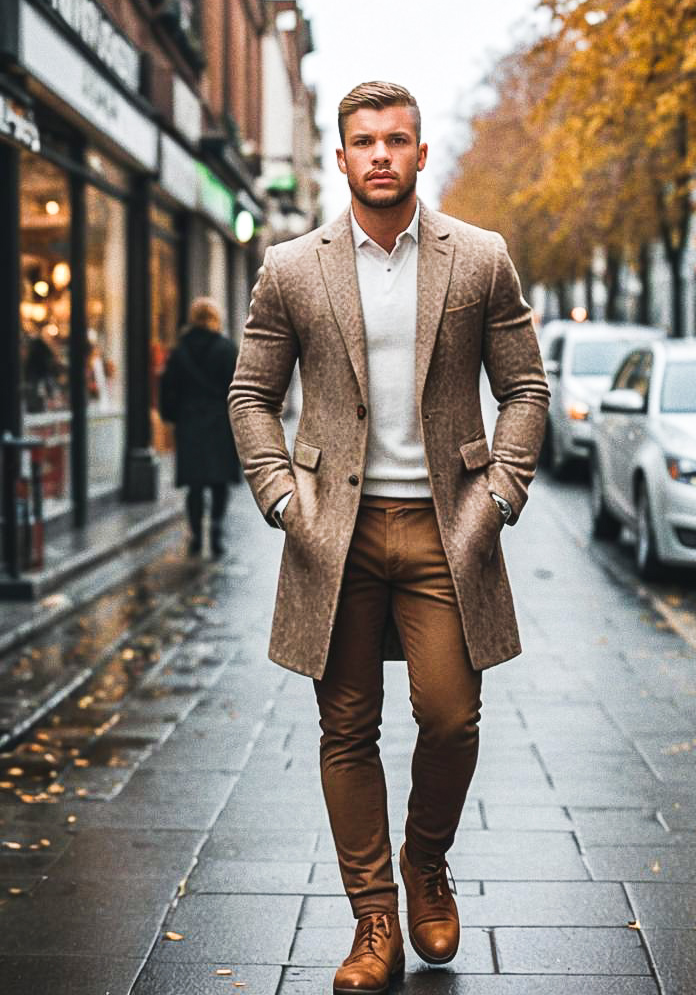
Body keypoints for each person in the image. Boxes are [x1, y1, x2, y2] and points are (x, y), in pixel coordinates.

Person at [229, 81, 549, 994]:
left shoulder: (479, 258)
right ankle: (374, 920)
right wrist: (285, 500)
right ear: (340, 157)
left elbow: (524, 388)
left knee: (450, 717)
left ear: (419, 152)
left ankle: (426, 865)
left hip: (450, 530)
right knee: (347, 726)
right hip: (336, 534)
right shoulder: (293, 267)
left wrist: (498, 497)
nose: (380, 154)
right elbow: (252, 395)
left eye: (396, 139)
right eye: (363, 141)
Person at [161, 297, 240, 557]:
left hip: (190, 421)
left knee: (195, 484)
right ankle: (216, 528)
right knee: (219, 482)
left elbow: (167, 389)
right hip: (219, 421)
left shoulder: (180, 351)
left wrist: (173, 416)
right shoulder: (227, 349)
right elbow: (239, 389)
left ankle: (196, 534)